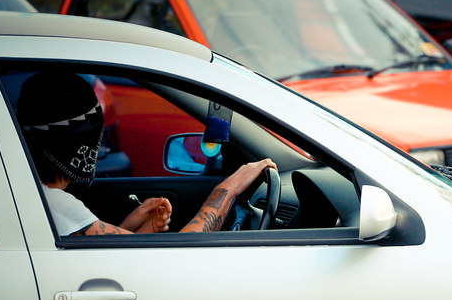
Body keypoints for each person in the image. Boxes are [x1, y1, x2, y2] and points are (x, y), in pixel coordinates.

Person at [16, 70, 276, 236]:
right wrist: (228, 189)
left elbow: (109, 251)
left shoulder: (32, 197)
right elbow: (178, 256)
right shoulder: (55, 205)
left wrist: (137, 225)